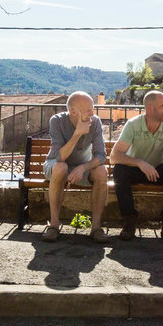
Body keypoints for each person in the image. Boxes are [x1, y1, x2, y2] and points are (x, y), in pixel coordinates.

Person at [109, 90, 163, 241]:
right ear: (150, 108)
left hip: (158, 169)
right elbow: (114, 156)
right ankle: (129, 220)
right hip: (136, 169)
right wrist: (140, 163)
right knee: (119, 171)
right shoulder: (133, 125)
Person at [43, 91, 110, 243]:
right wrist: (77, 134)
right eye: (88, 110)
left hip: (82, 167)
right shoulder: (57, 121)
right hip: (55, 165)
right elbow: (59, 157)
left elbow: (101, 156)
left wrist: (82, 168)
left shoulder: (96, 122)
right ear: (73, 111)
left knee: (101, 171)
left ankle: (96, 228)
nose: (93, 113)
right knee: (61, 167)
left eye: (93, 109)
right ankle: (54, 225)